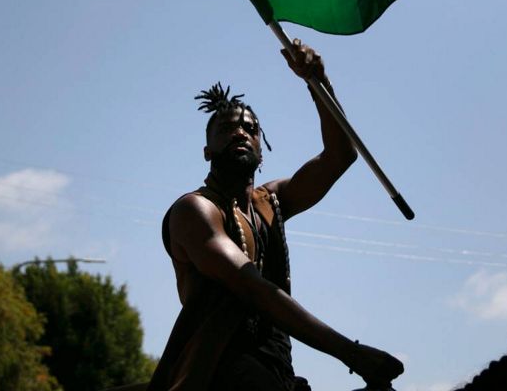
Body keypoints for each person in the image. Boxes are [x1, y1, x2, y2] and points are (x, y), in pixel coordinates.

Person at [149, 39, 404, 391]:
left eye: (250, 129)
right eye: (226, 128)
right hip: (221, 372)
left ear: (261, 150)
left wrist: (318, 81)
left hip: (279, 370)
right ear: (207, 150)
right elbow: (252, 287)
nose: (240, 131)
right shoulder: (195, 210)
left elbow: (340, 156)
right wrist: (352, 354)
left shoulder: (270, 202)